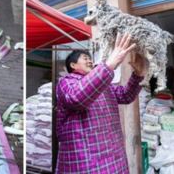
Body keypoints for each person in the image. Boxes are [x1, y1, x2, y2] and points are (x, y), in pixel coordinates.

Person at [55, 33, 147, 173]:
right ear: (73, 65)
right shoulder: (66, 82)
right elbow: (76, 98)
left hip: (114, 153)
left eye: (90, 58)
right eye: (85, 58)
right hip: (86, 158)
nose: (90, 61)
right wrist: (109, 64)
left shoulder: (104, 83)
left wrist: (138, 75)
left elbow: (125, 95)